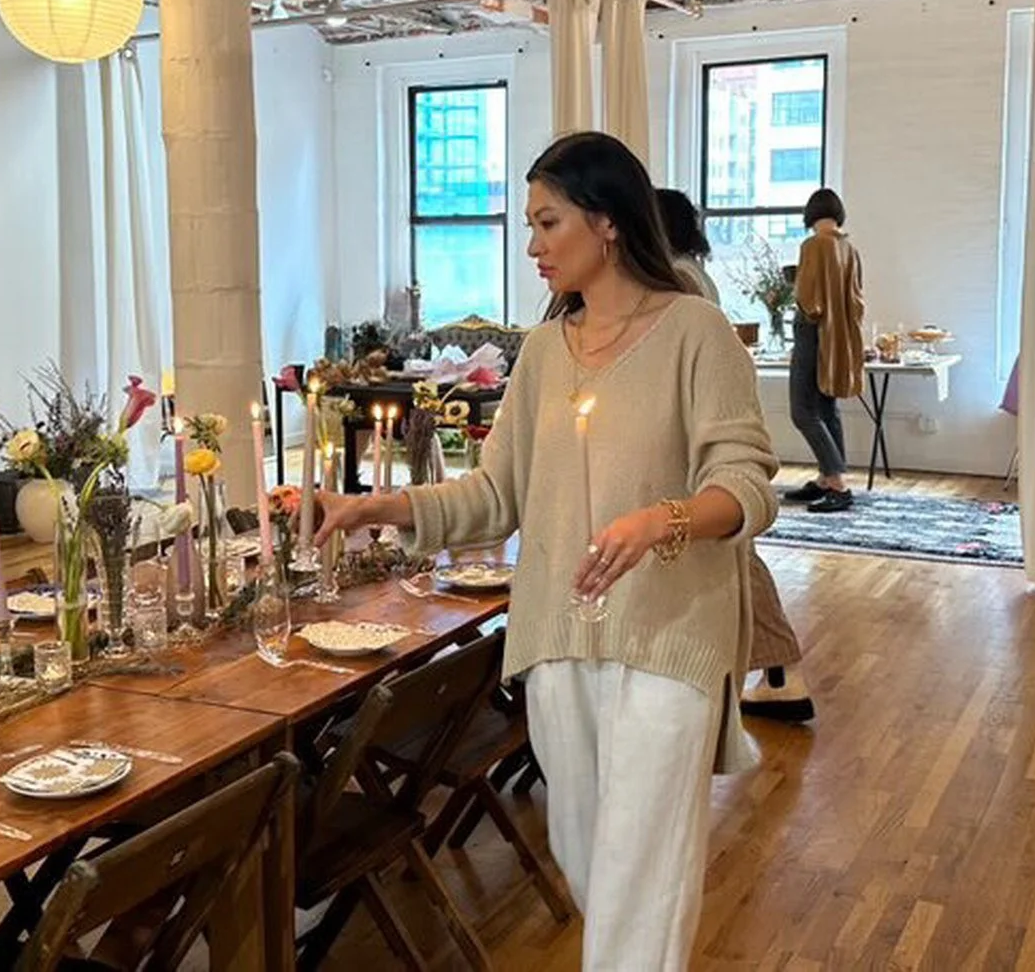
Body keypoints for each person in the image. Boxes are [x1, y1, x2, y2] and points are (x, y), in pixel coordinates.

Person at [318, 134, 779, 969]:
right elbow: (495, 497)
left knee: (643, 872)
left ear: (605, 223)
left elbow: (747, 485)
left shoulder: (696, 332)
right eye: (530, 225)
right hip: (561, 635)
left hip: (671, 635)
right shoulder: (541, 354)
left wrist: (658, 522)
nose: (531, 244)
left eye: (547, 221)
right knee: (587, 855)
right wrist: (377, 507)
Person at [658, 188, 815, 723]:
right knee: (731, 553)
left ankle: (780, 670)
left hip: (695, 438)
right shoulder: (692, 275)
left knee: (734, 552)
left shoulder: (679, 281)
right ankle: (775, 671)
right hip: (698, 432)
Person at [785, 188, 864, 513]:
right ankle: (827, 477)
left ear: (811, 214)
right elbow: (856, 301)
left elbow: (809, 300)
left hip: (812, 332)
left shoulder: (814, 245)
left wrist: (795, 283)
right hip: (840, 336)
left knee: (802, 410)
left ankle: (836, 482)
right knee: (826, 407)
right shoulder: (848, 247)